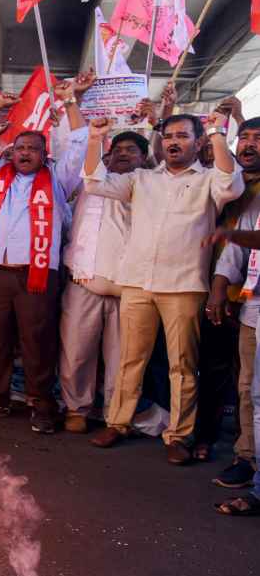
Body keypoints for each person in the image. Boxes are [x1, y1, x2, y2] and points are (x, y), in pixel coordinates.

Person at [85, 110, 244, 464]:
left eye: (183, 136)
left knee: (183, 365)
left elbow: (232, 185)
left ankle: (180, 435)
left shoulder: (209, 182)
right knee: (130, 359)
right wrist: (96, 139)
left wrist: (217, 130)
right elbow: (94, 182)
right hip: (137, 282)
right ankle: (118, 422)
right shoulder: (142, 179)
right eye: (169, 136)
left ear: (198, 142)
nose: (174, 141)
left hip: (184, 285)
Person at [0, 82, 89, 434]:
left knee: (38, 341)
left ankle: (41, 403)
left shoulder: (59, 180)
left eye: (33, 148)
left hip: (36, 277)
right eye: (20, 147)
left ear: (44, 155)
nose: (25, 153)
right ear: (11, 152)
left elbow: (80, 142)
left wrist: (70, 101)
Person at [59, 131, 149, 433]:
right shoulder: (91, 183)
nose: (122, 154)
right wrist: (94, 136)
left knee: (122, 357)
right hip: (83, 279)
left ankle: (116, 416)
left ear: (145, 158)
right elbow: (82, 161)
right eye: (117, 149)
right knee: (76, 350)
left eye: (131, 150)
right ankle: (77, 408)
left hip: (128, 287)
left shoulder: (148, 184)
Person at [206, 117, 260, 487]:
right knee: (247, 388)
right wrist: (219, 288)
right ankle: (247, 458)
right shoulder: (244, 193)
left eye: (259, 139)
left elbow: (240, 237)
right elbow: (234, 250)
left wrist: (231, 234)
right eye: (245, 138)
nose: (249, 145)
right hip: (251, 305)